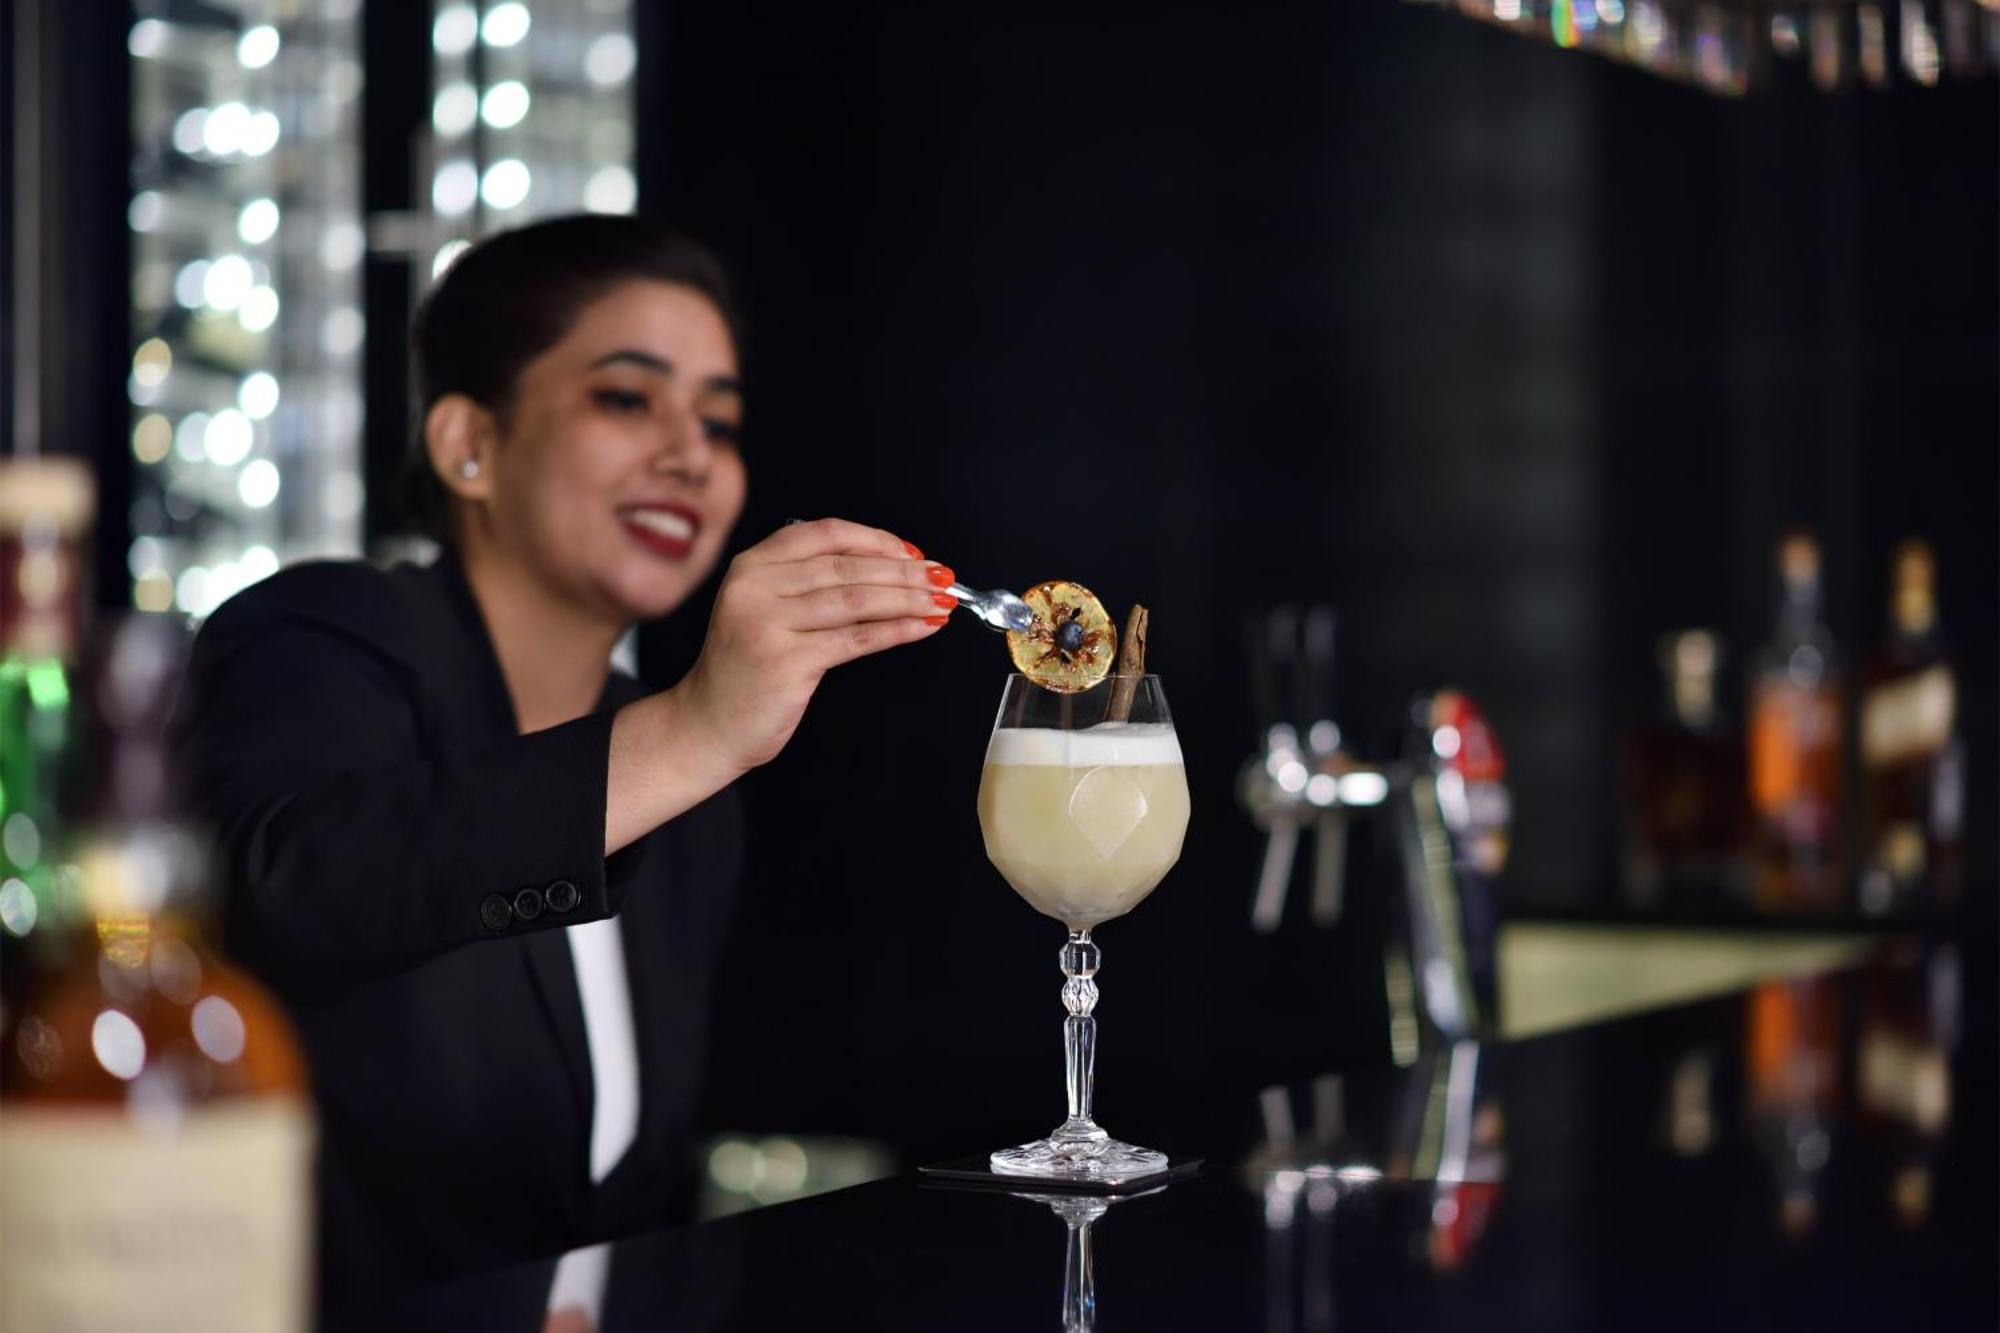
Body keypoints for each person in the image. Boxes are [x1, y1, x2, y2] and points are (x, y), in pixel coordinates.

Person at [175, 215, 955, 1324]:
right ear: (468, 445)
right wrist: (695, 731)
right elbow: (280, 884)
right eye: (627, 398)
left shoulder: (684, 780)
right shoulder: (324, 630)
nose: (691, 454)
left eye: (719, 421)